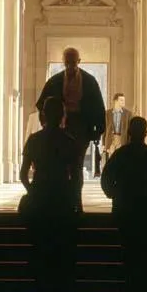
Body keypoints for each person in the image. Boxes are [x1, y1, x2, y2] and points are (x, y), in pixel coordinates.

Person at [19, 96, 78, 292]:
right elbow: (76, 177)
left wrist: (32, 190)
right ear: (62, 116)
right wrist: (75, 200)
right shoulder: (69, 141)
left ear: (43, 116)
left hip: (40, 197)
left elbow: (23, 174)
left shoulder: (34, 140)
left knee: (39, 248)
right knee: (59, 249)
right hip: (61, 199)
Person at [35, 47, 105, 212]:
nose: (70, 66)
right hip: (59, 127)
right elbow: (41, 105)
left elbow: (99, 108)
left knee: (77, 164)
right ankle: (62, 201)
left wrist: (97, 131)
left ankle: (76, 200)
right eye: (67, 63)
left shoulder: (89, 81)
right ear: (63, 62)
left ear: (79, 62)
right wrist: (47, 125)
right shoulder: (55, 81)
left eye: (73, 62)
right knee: (60, 165)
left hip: (81, 127)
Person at [100, 115, 147, 292]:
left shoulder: (121, 154)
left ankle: (131, 286)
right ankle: (143, 288)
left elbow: (106, 178)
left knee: (129, 248)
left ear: (129, 133)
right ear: (146, 133)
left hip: (125, 208)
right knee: (145, 249)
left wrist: (114, 195)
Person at [103, 92, 131, 160]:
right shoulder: (107, 113)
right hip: (111, 139)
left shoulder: (128, 114)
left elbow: (129, 130)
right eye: (121, 100)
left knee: (121, 158)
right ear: (116, 101)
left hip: (121, 138)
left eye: (124, 100)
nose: (123, 102)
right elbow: (105, 129)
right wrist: (104, 143)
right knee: (111, 159)